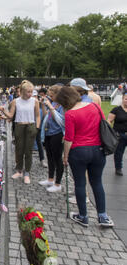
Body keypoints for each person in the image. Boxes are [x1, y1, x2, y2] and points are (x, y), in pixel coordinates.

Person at [56, 86, 114, 228]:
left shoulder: (70, 114)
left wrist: (65, 156)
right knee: (97, 183)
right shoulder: (94, 106)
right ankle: (103, 216)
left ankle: (83, 216)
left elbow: (69, 139)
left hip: (79, 152)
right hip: (98, 150)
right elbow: (103, 123)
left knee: (80, 184)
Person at [0, 80, 41, 184]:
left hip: (30, 126)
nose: (30, 94)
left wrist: (37, 128)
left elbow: (37, 115)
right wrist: (4, 110)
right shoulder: (15, 101)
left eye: (31, 92)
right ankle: (19, 170)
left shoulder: (34, 101)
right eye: (28, 92)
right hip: (19, 126)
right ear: (22, 91)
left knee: (28, 151)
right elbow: (10, 115)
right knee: (19, 150)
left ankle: (27, 172)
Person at [39, 85, 65, 193]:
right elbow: (46, 116)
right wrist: (44, 106)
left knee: (57, 158)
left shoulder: (63, 106)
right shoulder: (53, 103)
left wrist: (50, 106)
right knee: (49, 157)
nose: (50, 97)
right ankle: (50, 179)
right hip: (48, 132)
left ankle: (58, 183)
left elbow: (60, 121)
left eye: (52, 95)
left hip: (57, 134)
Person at [107, 93, 127, 176]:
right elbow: (108, 121)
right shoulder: (116, 110)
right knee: (119, 153)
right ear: (122, 99)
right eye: (126, 99)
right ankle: (118, 168)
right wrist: (112, 132)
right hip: (120, 135)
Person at [33, 89, 47, 168]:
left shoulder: (40, 105)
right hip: (29, 126)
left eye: (35, 96)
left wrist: (42, 105)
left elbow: (44, 116)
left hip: (37, 127)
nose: (34, 98)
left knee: (39, 143)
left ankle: (42, 160)